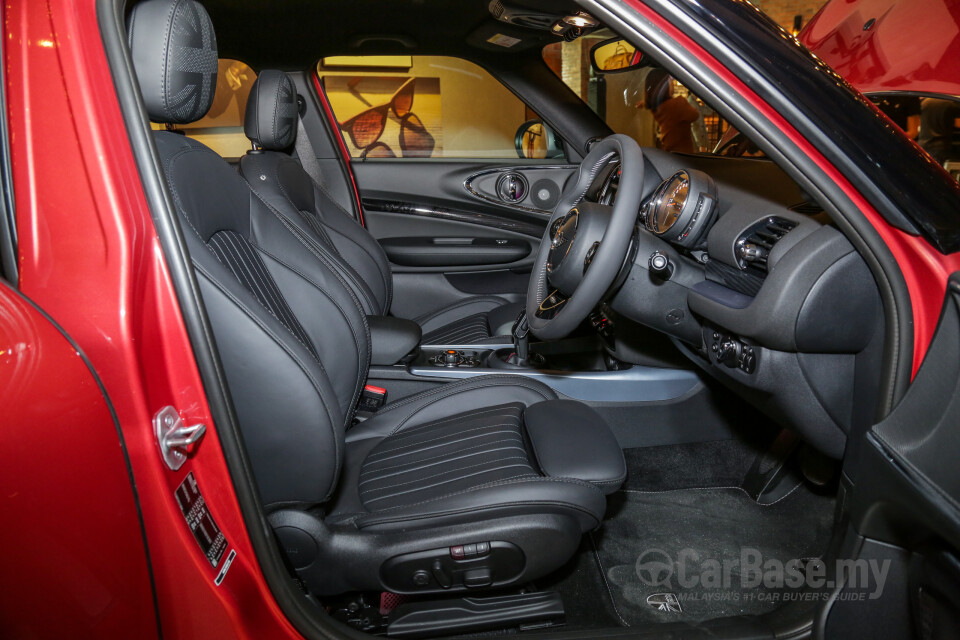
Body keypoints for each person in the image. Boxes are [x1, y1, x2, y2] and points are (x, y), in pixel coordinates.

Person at [625, 68, 699, 153]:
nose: (673, 83)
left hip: (669, 151)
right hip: (683, 154)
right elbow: (695, 115)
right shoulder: (679, 103)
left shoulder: (656, 106)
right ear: (664, 85)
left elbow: (648, 102)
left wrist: (643, 103)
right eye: (670, 80)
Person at [918, 98, 960, 166]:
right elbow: (958, 123)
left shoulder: (924, 101)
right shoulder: (952, 103)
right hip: (940, 146)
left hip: (923, 144)